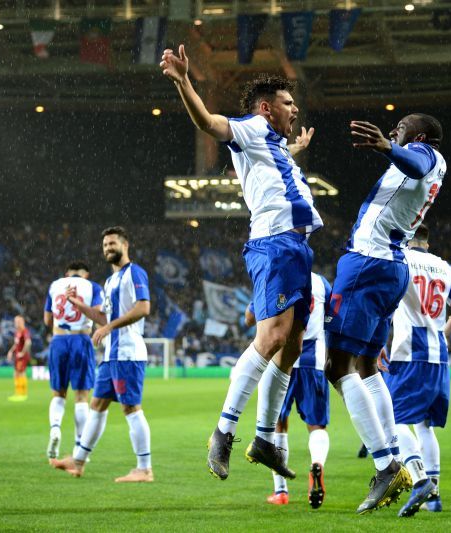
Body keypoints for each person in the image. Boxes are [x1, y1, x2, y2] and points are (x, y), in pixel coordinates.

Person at [161, 45, 322, 482]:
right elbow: (209, 124)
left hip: (296, 248)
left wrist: (295, 149)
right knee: (271, 337)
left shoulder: (272, 144)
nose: (295, 110)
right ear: (267, 108)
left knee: (293, 345)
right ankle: (223, 430)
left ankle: (266, 438)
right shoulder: (252, 128)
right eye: (289, 104)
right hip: (275, 244)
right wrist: (183, 81)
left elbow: (276, 174)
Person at [324, 113, 447, 514]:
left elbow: (416, 160)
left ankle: (385, 466)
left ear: (421, 135)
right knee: (367, 367)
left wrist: (387, 147)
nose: (395, 128)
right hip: (391, 266)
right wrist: (391, 150)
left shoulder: (423, 153)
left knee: (336, 366)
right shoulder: (420, 161)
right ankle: (395, 456)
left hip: (368, 262)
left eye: (402, 126)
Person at [380, 224, 451, 517]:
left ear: (408, 238)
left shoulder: (401, 260)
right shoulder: (445, 267)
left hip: (409, 353)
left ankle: (419, 478)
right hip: (438, 356)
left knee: (391, 421)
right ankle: (434, 496)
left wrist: (380, 340)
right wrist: (443, 333)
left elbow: (386, 303)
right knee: (424, 425)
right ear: (428, 242)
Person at [51, 227, 154, 483]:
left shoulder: (134, 273)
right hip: (111, 356)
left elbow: (143, 307)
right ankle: (78, 460)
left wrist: (109, 327)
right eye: (105, 245)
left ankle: (144, 468)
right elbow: (103, 317)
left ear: (125, 245)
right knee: (96, 405)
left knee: (131, 408)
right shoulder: (110, 282)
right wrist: (80, 306)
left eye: (112, 244)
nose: (108, 248)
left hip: (127, 353)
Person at [246, 272, 332, 508]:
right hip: (313, 362)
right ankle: (317, 463)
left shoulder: (278, 276)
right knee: (316, 425)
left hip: (282, 362)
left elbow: (249, 318)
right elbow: (332, 318)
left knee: (277, 423)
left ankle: (281, 491)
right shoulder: (322, 283)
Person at [43, 261, 104, 461]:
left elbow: (47, 320)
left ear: (67, 272)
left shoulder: (55, 285)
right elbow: (97, 314)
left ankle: (55, 429)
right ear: (85, 274)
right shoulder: (92, 287)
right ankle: (80, 445)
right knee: (81, 397)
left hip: (59, 340)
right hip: (81, 339)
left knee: (58, 394)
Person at [6, 315, 32, 401]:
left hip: (22, 357)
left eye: (18, 321)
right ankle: (18, 393)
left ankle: (23, 394)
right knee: (16, 374)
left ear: (22, 322)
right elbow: (16, 344)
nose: (16, 323)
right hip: (17, 356)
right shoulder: (17, 332)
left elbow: (28, 342)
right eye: (15, 321)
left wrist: (23, 353)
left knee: (21, 373)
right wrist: (11, 351)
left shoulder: (25, 331)